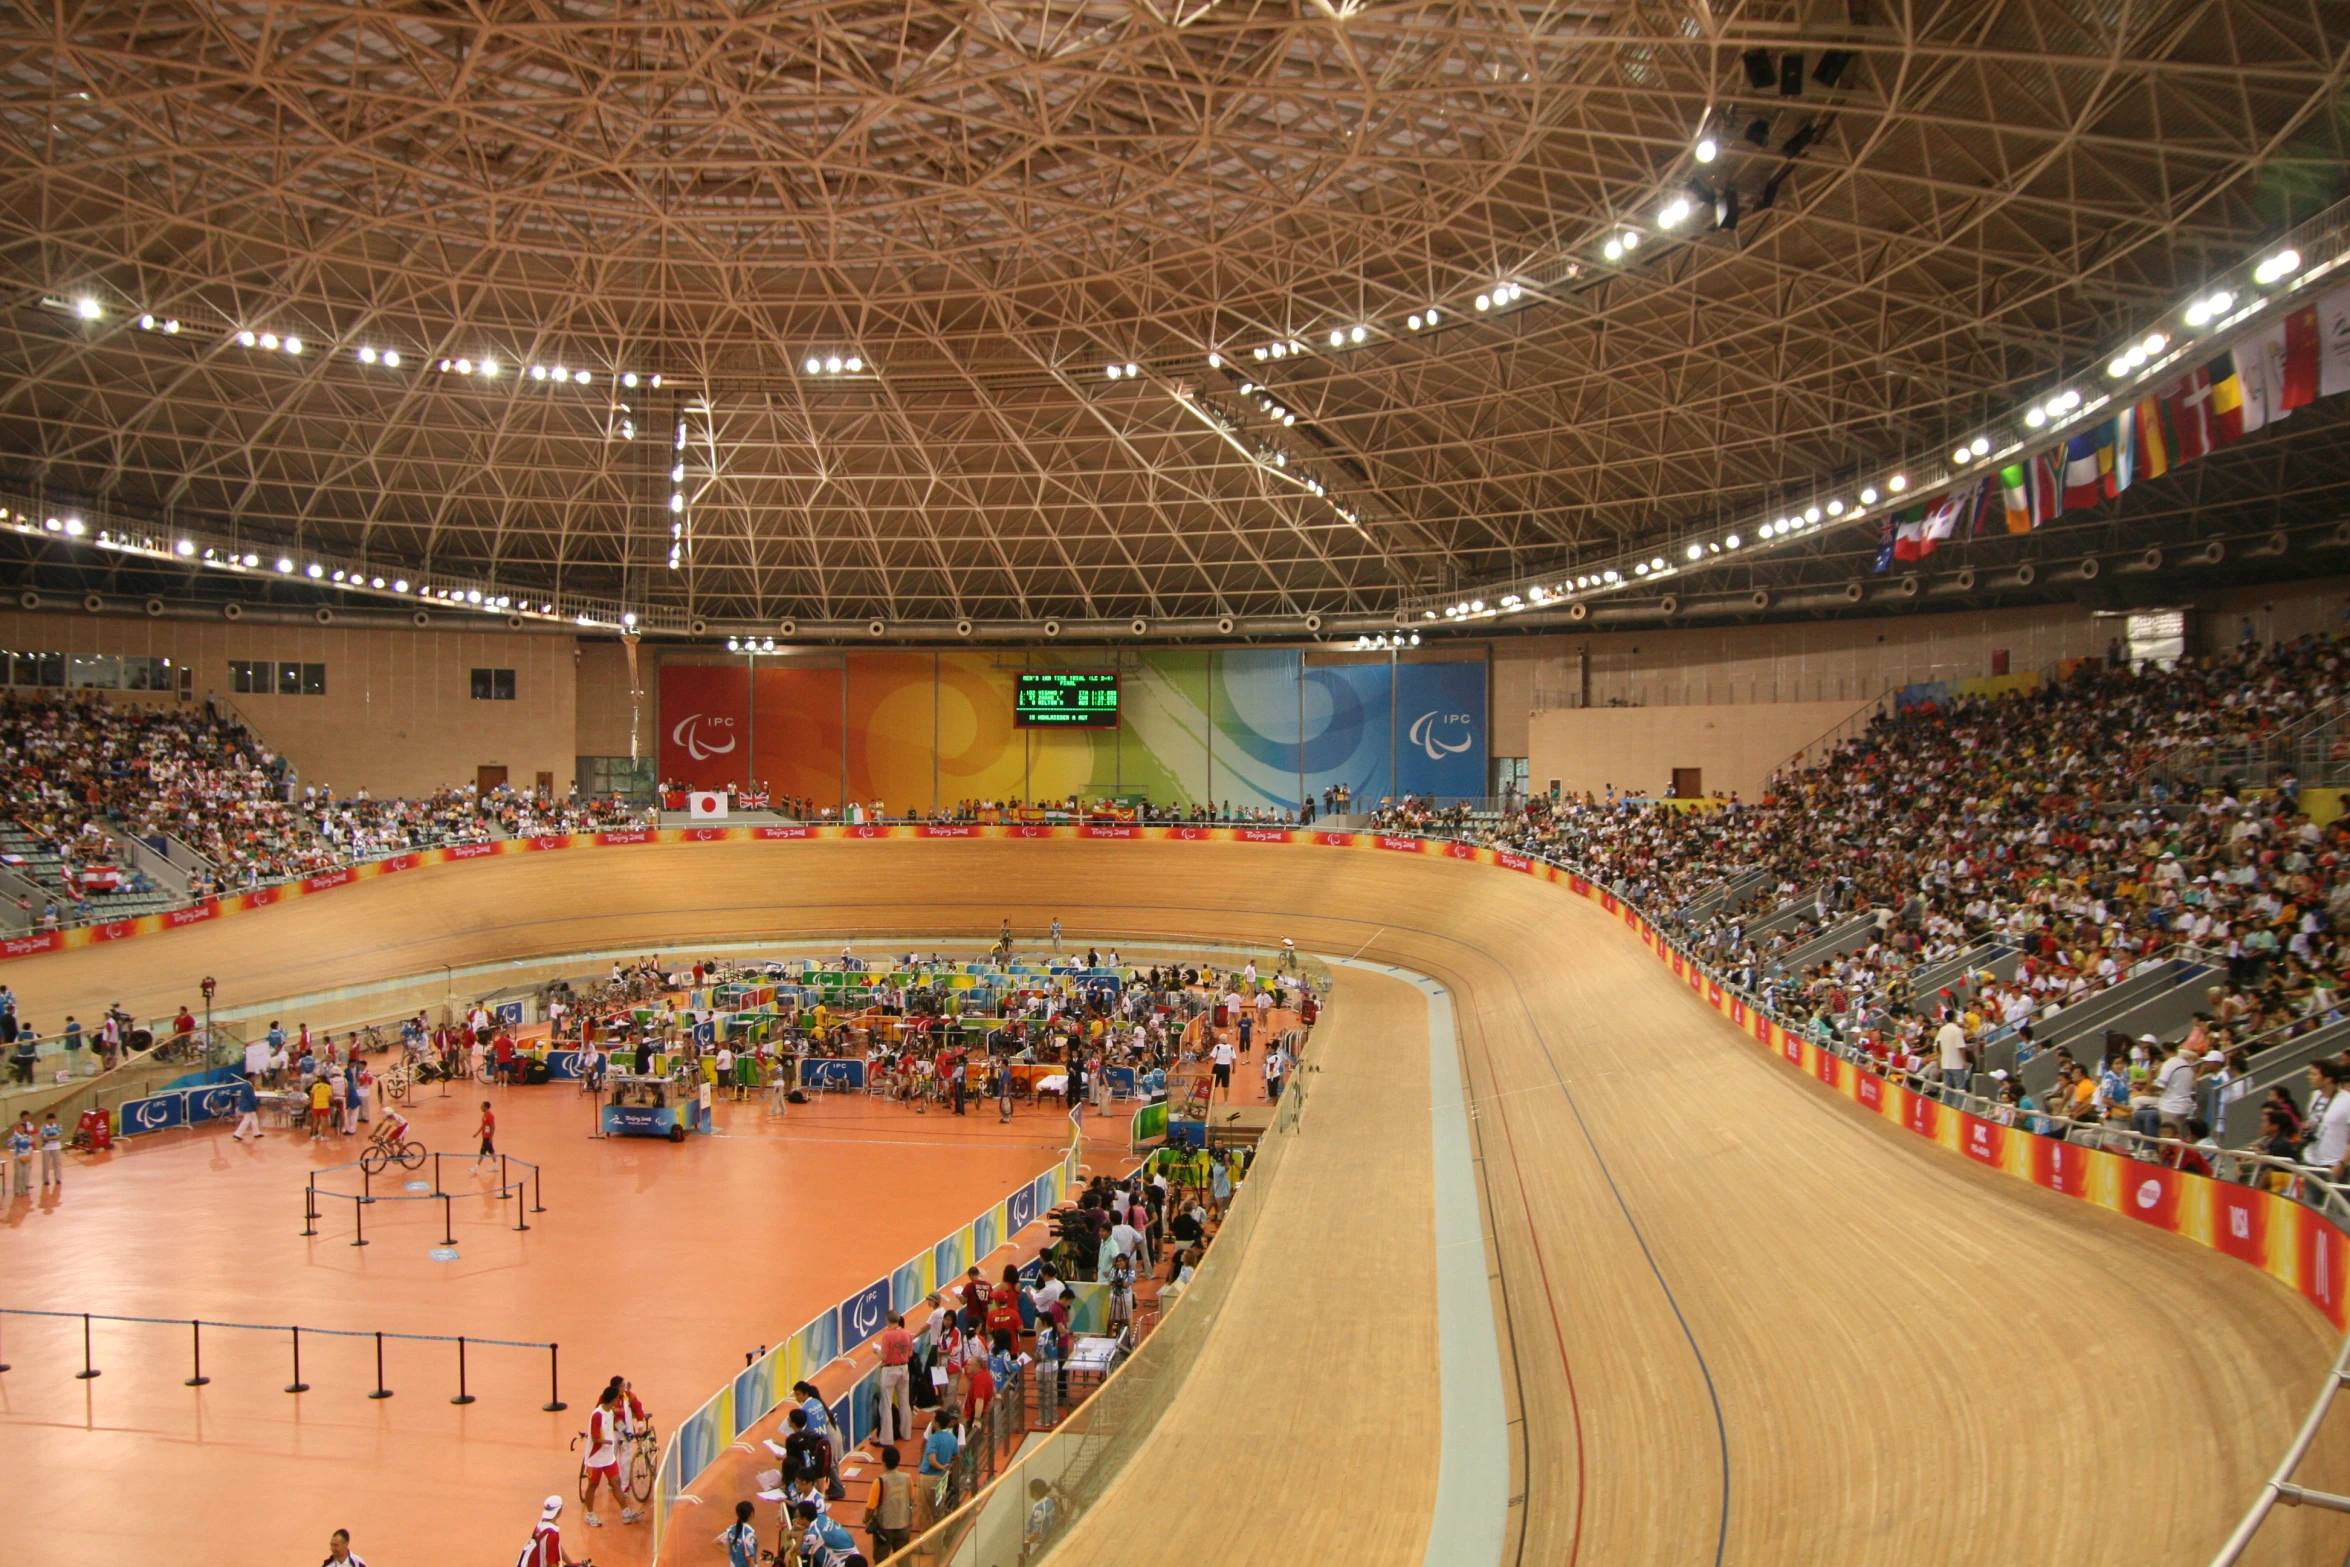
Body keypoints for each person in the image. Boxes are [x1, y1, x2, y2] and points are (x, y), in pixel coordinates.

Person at [867, 1445, 914, 1561]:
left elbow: (870, 1508)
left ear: (883, 1461)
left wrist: (866, 1520)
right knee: (904, 1562)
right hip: (904, 1525)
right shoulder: (908, 1479)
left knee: (881, 1561)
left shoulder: (879, 1482)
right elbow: (912, 1499)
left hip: (884, 1530)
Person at [876, 1312, 915, 1447]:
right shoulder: (907, 1333)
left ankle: (886, 1439)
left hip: (890, 1370)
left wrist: (876, 1352)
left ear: (888, 1321)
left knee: (886, 1405)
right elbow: (910, 1353)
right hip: (904, 1368)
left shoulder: (887, 1336)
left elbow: (883, 1356)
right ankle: (906, 1433)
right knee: (904, 1402)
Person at [517, 1495, 588, 1567]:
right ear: (559, 1511)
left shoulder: (540, 1526)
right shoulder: (552, 1534)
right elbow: (551, 1564)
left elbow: (557, 1546)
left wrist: (571, 1564)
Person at [792, 1499, 861, 1567]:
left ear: (804, 1519)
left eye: (797, 1516)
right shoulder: (822, 1518)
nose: (796, 1518)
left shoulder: (813, 1534)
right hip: (855, 1556)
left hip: (843, 1562)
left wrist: (800, 1532)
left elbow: (799, 1552)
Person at [716, 1500, 759, 1567]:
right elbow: (749, 1559)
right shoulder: (749, 1533)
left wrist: (731, 1553)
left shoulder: (732, 1529)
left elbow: (716, 1542)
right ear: (751, 1514)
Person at [471, 1100, 498, 1176]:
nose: (480, 1107)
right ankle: (495, 1165)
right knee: (491, 1150)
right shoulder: (484, 1115)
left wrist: (491, 1137)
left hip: (487, 1137)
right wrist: (477, 1133)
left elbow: (493, 1126)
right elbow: (483, 1126)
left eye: (482, 1106)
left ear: (486, 1107)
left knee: (482, 1151)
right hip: (484, 1135)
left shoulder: (490, 1116)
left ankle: (476, 1167)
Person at [38, 1111, 62, 1189]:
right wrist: (53, 1137)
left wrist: (49, 1138)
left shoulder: (58, 1126)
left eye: (52, 1119)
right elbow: (43, 1138)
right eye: (49, 1119)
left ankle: (58, 1178)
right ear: (47, 1120)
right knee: (46, 1164)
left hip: (56, 1147)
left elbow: (59, 1136)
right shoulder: (43, 1128)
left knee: (57, 1163)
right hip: (46, 1148)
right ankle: (45, 1179)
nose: (51, 1121)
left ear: (55, 1120)